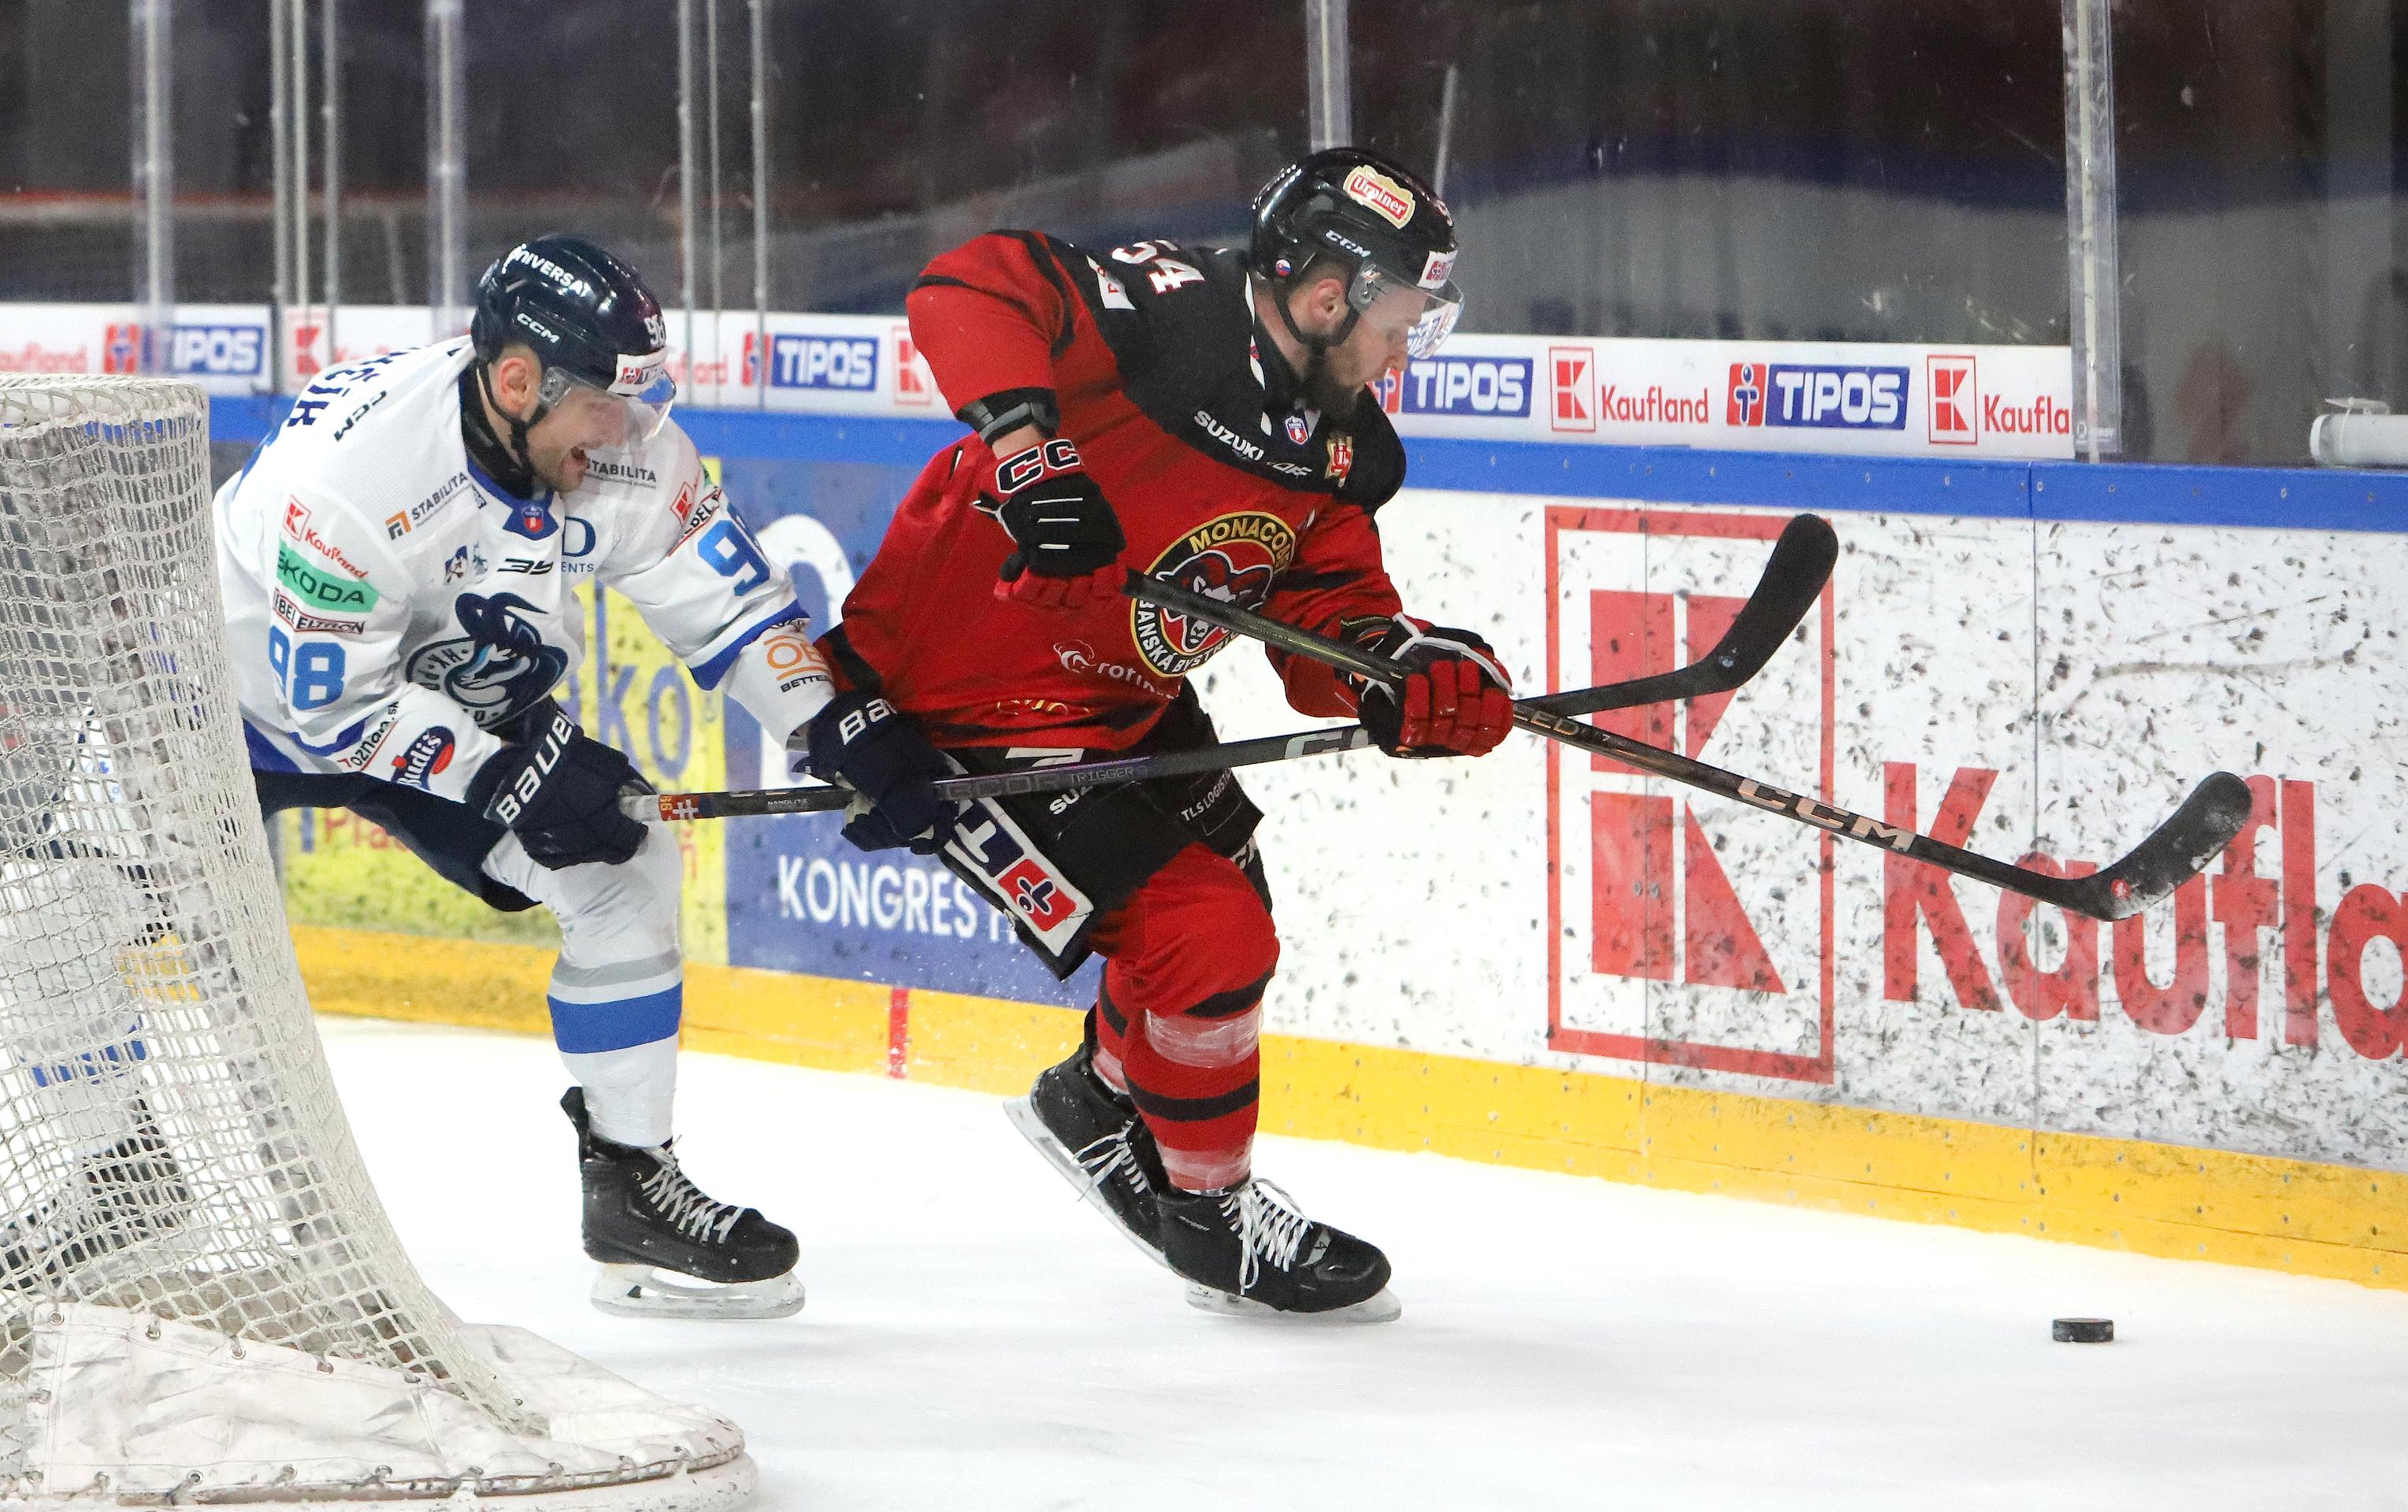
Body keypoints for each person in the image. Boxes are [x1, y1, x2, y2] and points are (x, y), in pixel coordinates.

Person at [802, 149, 1514, 1321]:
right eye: (1399, 320)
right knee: (1204, 932)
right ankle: (1209, 1209)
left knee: (1227, 930)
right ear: (1326, 293)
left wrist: (1400, 673)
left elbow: (1319, 622)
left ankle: (1095, 1102)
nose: (1404, 350)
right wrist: (1028, 449)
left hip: (1123, 709)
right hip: (957, 715)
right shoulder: (1162, 310)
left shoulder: (1344, 445)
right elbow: (965, 288)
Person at [215, 235, 834, 1320]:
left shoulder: (610, 439)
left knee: (621, 862)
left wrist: (849, 734)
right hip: (214, 710)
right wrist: (514, 776)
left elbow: (733, 607)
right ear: (516, 381)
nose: (629, 433)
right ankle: (100, 1176)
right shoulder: (355, 478)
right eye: (605, 405)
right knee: (72, 912)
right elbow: (330, 714)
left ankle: (632, 1187)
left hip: (427, 700)